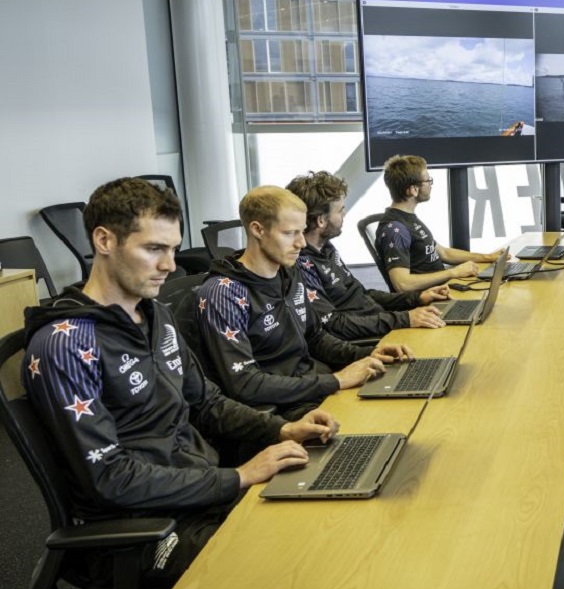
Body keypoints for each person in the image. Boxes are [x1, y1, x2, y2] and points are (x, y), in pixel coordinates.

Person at [21, 177, 339, 587]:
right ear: (104, 240)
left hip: (199, 494)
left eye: (172, 249)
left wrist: (280, 428)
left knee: (327, 520)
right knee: (296, 571)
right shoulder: (64, 344)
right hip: (142, 529)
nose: (170, 265)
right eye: (154, 249)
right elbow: (112, 478)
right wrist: (237, 477)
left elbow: (206, 403)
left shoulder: (156, 317)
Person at [195, 186, 413, 419]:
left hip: (316, 387)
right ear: (258, 230)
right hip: (284, 411)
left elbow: (315, 337)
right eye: (290, 233)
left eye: (301, 232)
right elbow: (246, 384)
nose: (301, 243)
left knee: (407, 399)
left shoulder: (288, 273)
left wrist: (369, 354)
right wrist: (336, 380)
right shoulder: (224, 293)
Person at [286, 170, 449, 339]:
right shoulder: (301, 264)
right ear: (321, 220)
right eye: (340, 210)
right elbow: (334, 324)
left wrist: (417, 298)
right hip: (367, 339)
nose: (344, 214)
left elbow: (363, 296)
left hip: (380, 323)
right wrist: (403, 319)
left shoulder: (326, 248)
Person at [376, 154, 506, 293]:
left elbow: (444, 253)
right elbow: (402, 284)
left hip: (444, 289)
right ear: (413, 190)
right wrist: (453, 273)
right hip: (429, 305)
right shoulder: (395, 229)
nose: (430, 185)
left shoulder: (409, 219)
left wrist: (488, 257)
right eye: (428, 180)